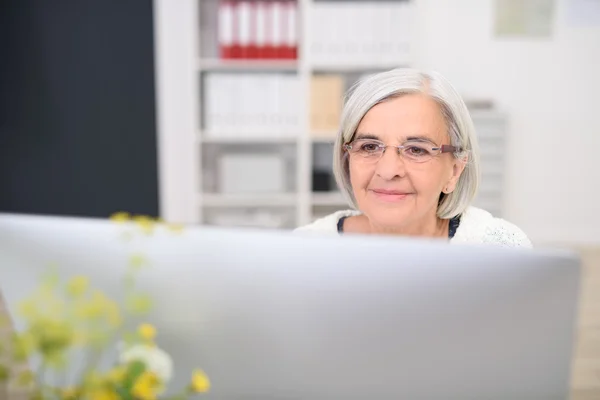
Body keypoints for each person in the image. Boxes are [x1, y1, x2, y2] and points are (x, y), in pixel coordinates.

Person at [296, 68, 531, 247]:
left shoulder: (497, 249)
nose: (388, 171)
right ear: (346, 160)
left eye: (416, 149)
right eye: (369, 146)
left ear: (454, 171)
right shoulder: (305, 249)